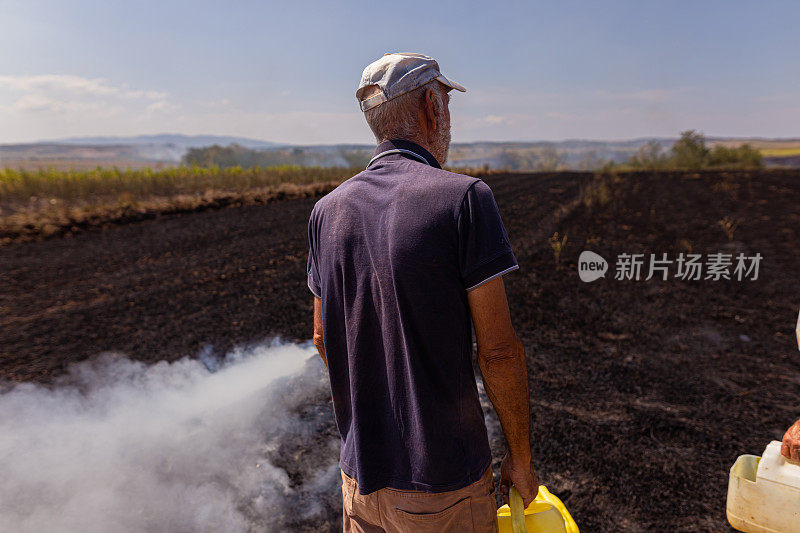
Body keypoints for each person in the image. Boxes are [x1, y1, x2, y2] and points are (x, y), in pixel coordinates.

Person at [306, 53, 538, 532]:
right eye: (447, 103)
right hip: (442, 488)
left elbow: (323, 339)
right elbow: (497, 352)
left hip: (359, 481)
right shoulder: (465, 199)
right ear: (433, 107)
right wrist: (521, 459)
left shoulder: (326, 212)